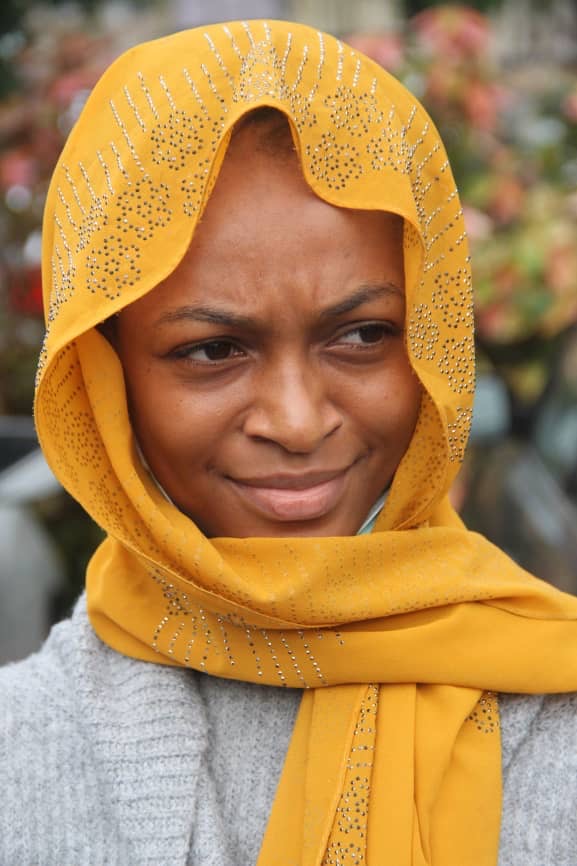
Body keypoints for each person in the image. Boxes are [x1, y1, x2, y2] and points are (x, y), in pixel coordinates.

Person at [1, 19, 576, 866]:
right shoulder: (20, 751)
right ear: (105, 377)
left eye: (362, 336)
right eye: (212, 351)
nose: (299, 422)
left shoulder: (553, 707)